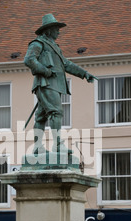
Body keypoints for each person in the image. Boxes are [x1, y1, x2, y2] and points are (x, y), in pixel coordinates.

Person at [24, 13, 97, 155]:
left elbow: (66, 64)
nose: (58, 31)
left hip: (52, 85)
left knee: (41, 116)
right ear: (48, 30)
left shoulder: (55, 47)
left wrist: (84, 73)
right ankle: (58, 146)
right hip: (46, 83)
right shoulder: (38, 43)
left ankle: (38, 147)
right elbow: (29, 60)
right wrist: (45, 71)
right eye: (56, 28)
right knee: (55, 112)